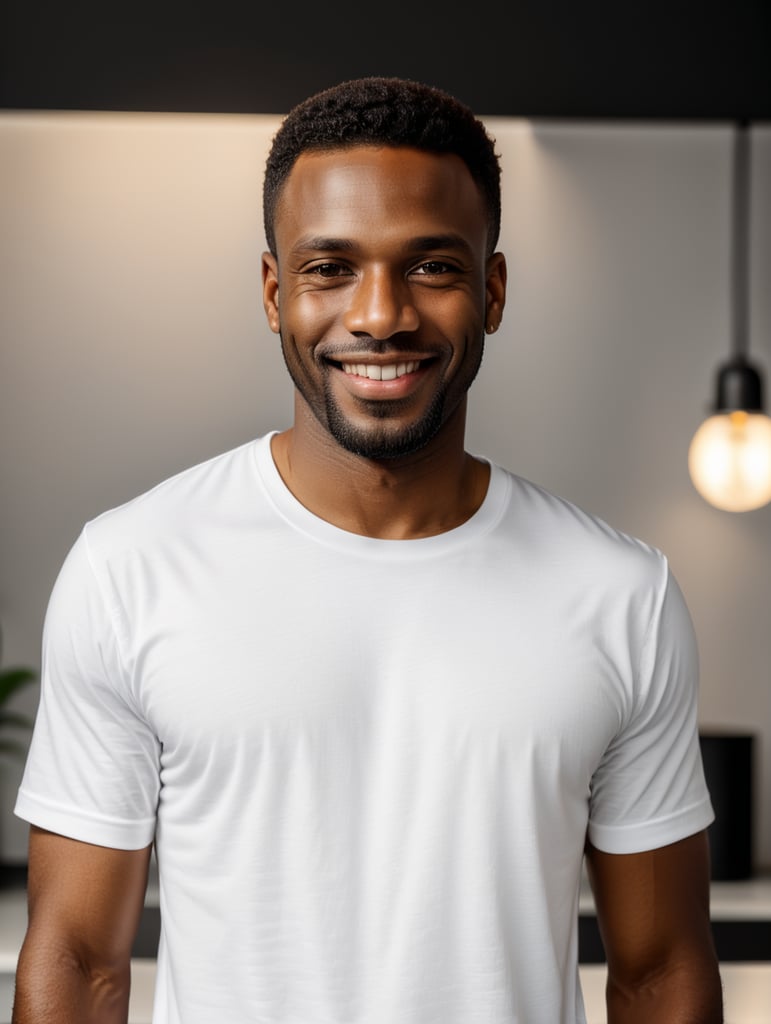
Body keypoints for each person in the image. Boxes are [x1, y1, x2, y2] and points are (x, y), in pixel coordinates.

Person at [12, 76, 722, 1023]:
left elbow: (661, 970)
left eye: (430, 266)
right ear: (274, 292)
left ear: (492, 290)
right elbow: (75, 961)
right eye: (328, 268)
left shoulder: (620, 594)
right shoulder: (130, 569)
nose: (379, 314)